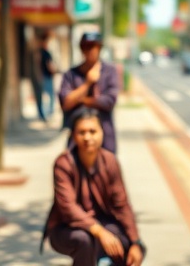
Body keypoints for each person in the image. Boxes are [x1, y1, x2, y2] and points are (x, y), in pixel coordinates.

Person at [43, 107, 145, 266]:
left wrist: (136, 242)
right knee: (85, 240)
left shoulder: (109, 161)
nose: (87, 137)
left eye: (92, 131)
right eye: (81, 132)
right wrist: (99, 231)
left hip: (102, 223)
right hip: (66, 229)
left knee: (124, 242)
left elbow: (122, 204)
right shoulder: (63, 164)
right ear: (73, 135)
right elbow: (68, 208)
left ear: (102, 133)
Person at [59, 32, 119, 153]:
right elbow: (65, 102)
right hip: (78, 136)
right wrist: (87, 83)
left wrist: (82, 99)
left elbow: (109, 101)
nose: (90, 50)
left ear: (99, 48)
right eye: (86, 46)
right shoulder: (71, 74)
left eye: (93, 46)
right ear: (82, 49)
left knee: (106, 167)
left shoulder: (109, 71)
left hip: (104, 133)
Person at [37, 29, 59, 121]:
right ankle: (48, 114)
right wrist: (56, 70)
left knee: (46, 96)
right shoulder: (45, 53)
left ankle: (45, 114)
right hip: (46, 77)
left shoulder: (39, 52)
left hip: (43, 76)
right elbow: (49, 66)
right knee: (49, 97)